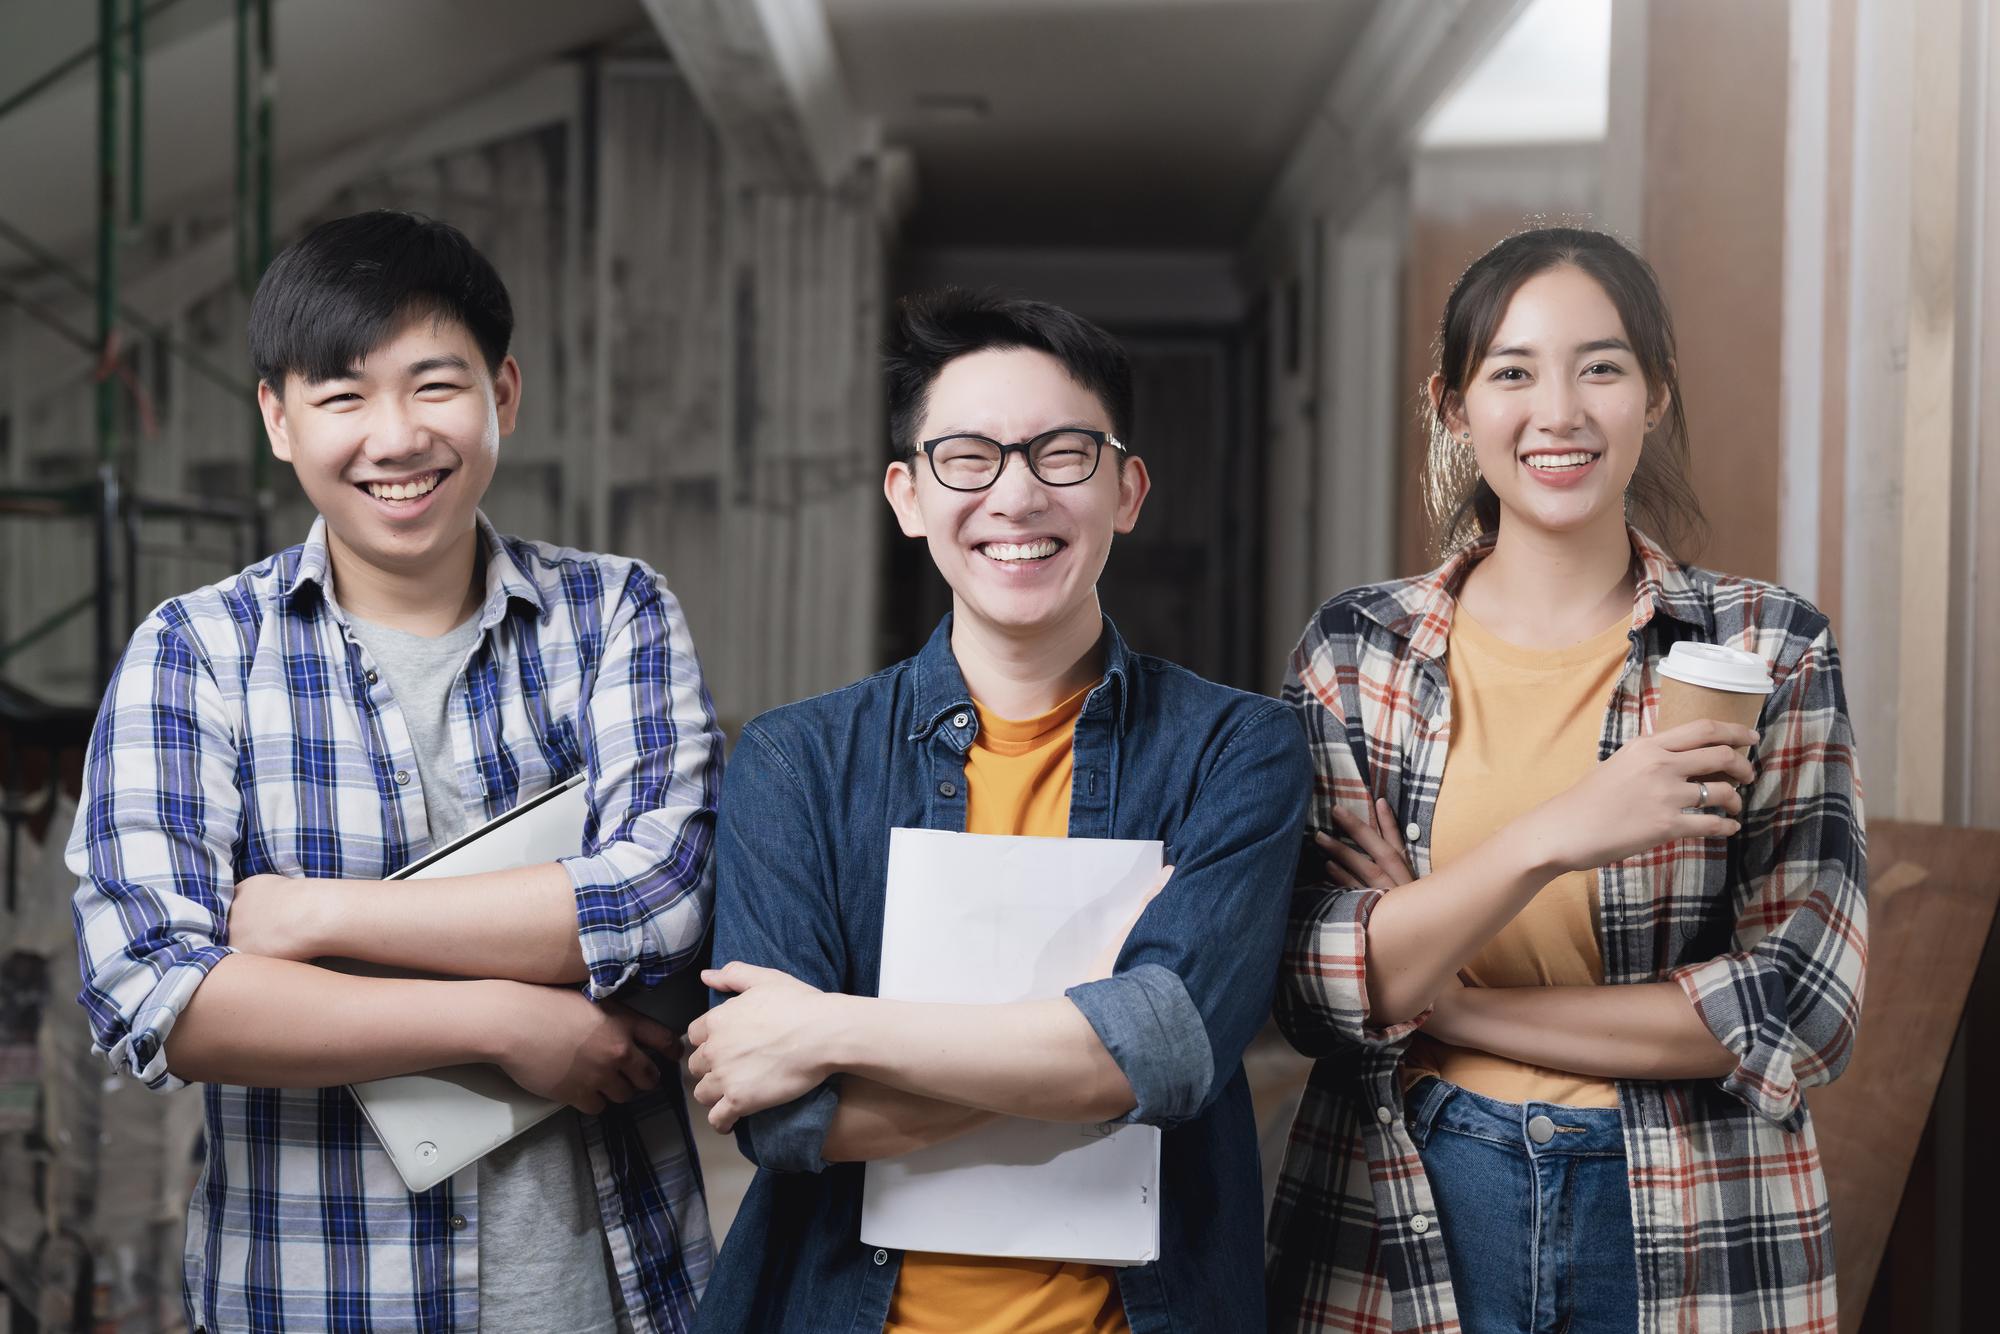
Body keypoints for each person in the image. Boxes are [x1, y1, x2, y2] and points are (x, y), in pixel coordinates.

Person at [68, 210, 723, 1332]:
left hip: (610, 1297)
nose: (395, 435)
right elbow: (155, 990)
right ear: (279, 418)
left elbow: (663, 896)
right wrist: (503, 1021)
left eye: (434, 385)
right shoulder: (197, 651)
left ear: (501, 394)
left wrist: (313, 915)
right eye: (341, 396)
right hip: (315, 1297)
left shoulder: (615, 613)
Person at [1265, 227, 1866, 1333]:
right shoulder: (1360, 652)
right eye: (1511, 371)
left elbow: (1795, 1004)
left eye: (1600, 365)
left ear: (1655, 396)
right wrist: (1554, 834)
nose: (1559, 411)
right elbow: (1314, 980)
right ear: (1452, 407)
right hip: (1410, 1186)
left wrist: (1448, 994)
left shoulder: (1765, 646)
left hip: (1690, 1214)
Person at [685, 289, 1309, 1333]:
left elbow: (1168, 1053)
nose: (1015, 496)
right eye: (967, 457)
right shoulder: (796, 759)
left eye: (1061, 452)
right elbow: (783, 1118)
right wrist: (1088, 1045)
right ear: (906, 494)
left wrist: (832, 1027)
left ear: (1127, 487)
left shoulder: (1236, 748)